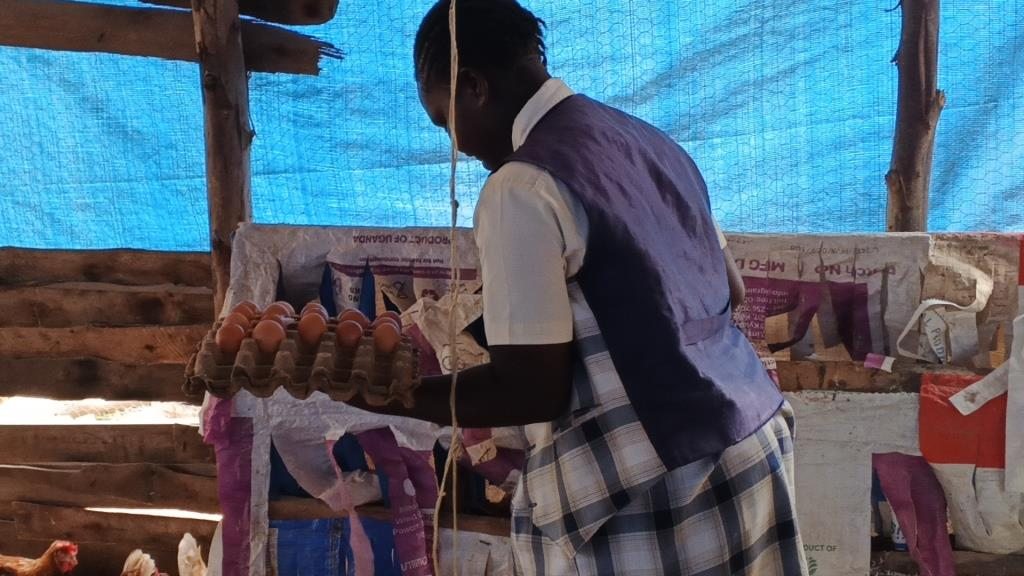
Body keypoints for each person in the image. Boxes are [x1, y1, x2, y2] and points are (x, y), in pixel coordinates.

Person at [352, 1, 808, 573]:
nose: (456, 147)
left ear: (473, 87)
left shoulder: (521, 186)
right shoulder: (651, 143)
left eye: (445, 121)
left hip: (659, 496)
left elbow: (531, 390)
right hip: (751, 455)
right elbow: (730, 291)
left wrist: (379, 393)